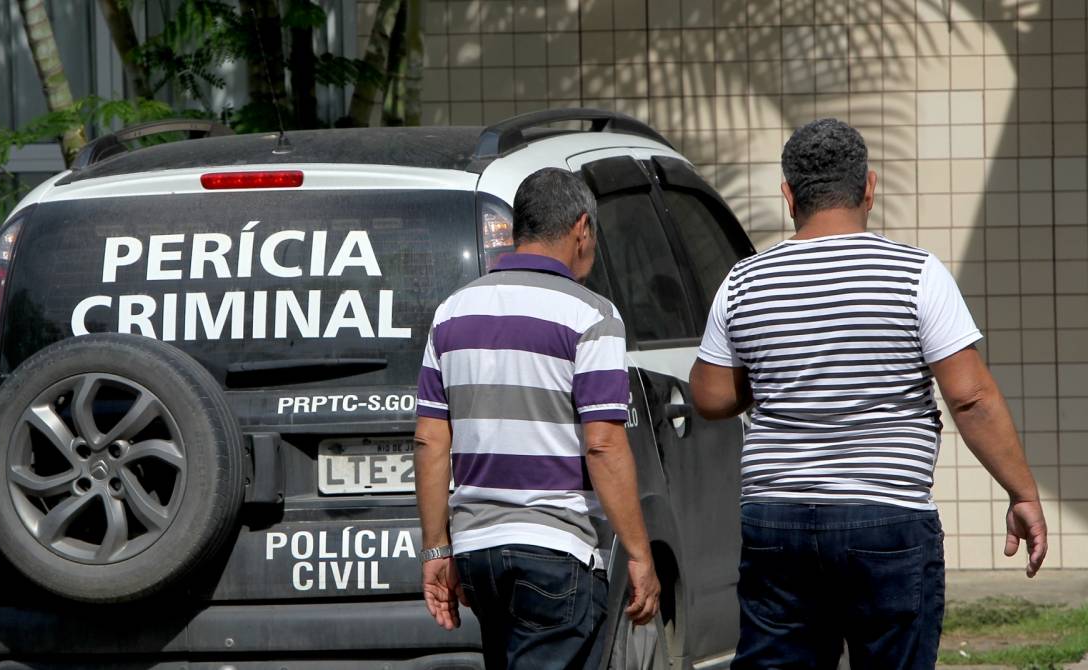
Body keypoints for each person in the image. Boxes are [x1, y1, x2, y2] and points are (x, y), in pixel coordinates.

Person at [689, 118, 1048, 669]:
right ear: (870, 188)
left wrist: (778, 371)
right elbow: (971, 397)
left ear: (789, 195)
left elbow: (711, 396)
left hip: (777, 521)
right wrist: (1021, 492)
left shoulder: (745, 281)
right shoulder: (916, 273)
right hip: (886, 519)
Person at [413, 167, 660, 669]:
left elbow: (430, 441)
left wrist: (437, 551)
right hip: (555, 553)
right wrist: (638, 553)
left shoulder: (452, 313)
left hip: (476, 555)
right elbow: (604, 445)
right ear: (582, 229)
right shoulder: (592, 316)